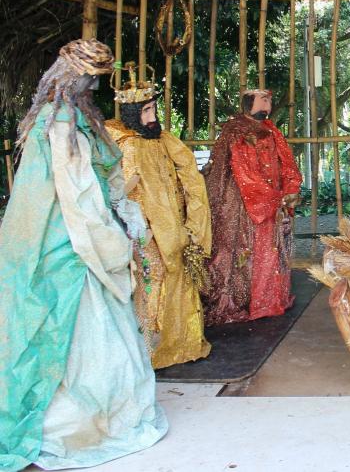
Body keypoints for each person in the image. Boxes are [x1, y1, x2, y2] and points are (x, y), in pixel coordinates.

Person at [0, 39, 167, 471]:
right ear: (76, 77)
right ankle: (78, 425)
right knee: (77, 337)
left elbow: (100, 179)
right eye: (92, 80)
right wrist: (116, 236)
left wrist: (124, 212)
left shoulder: (68, 117)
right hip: (66, 244)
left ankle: (96, 418)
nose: (94, 88)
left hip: (47, 238)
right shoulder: (62, 122)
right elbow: (78, 195)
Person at [105, 64, 213, 368]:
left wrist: (194, 223)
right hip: (143, 231)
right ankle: (149, 350)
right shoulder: (122, 145)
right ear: (132, 114)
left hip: (176, 228)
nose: (153, 118)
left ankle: (182, 342)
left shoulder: (166, 140)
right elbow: (117, 192)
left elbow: (191, 181)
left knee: (181, 278)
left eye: (154, 110)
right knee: (150, 282)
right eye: (147, 111)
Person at [203, 88, 302, 325]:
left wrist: (290, 188)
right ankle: (247, 300)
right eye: (263, 100)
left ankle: (270, 299)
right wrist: (271, 197)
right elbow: (242, 171)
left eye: (269, 100)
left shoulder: (271, 130)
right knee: (245, 251)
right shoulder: (234, 131)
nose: (267, 104)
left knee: (271, 249)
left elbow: (286, 161)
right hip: (240, 204)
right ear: (249, 103)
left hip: (270, 200)